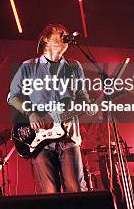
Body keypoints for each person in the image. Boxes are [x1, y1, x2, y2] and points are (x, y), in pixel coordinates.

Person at [7, 22, 90, 193]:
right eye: (60, 32)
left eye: (66, 32)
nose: (65, 34)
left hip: (69, 138)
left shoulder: (75, 67)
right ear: (45, 39)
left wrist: (88, 106)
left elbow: (83, 98)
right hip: (40, 141)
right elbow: (12, 96)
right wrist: (30, 113)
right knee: (50, 192)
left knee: (76, 189)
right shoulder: (28, 66)